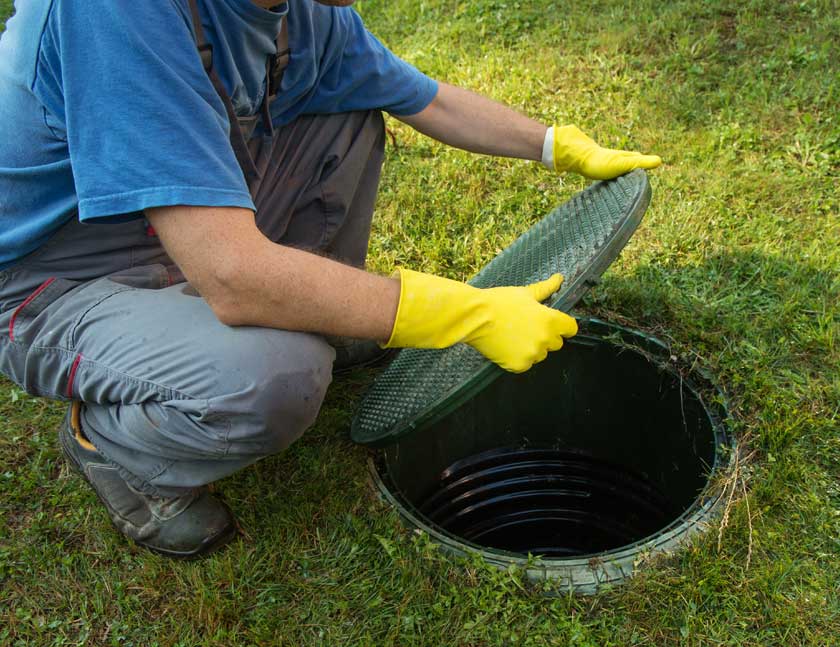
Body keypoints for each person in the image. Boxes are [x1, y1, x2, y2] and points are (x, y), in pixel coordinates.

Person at [0, 0, 661, 558]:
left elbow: (424, 98)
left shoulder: (298, 14)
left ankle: (324, 322)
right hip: (55, 278)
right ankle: (114, 448)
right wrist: (463, 312)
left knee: (345, 114)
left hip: (173, 226)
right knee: (276, 375)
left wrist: (554, 143)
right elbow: (230, 274)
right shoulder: (115, 13)